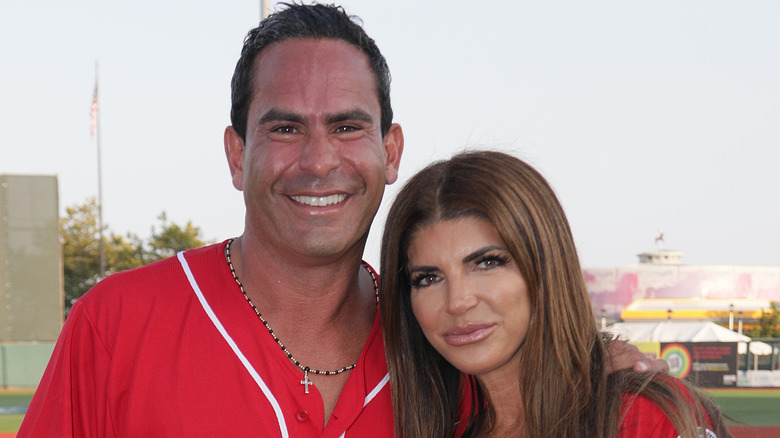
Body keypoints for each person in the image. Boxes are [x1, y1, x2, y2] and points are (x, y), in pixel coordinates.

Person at [19, 4, 663, 437]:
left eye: (348, 126)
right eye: (285, 127)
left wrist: (604, 384)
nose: (319, 161)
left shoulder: (445, 348)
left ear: (390, 152)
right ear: (237, 155)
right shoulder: (116, 325)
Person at [380, 150, 731, 438]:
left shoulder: (639, 416)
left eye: (487, 263)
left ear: (546, 266)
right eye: (427, 279)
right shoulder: (443, 423)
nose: (457, 301)